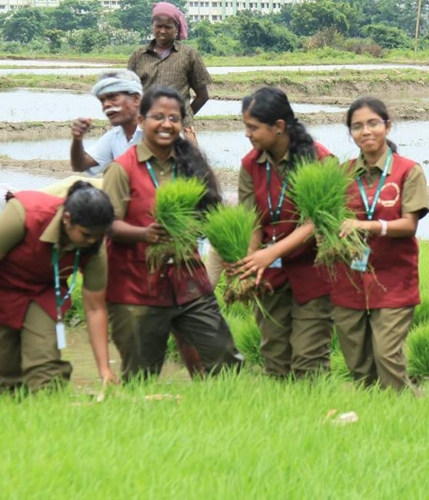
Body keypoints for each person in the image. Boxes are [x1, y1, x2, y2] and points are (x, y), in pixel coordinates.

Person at [103, 86, 242, 381]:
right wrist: (144, 234)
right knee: (141, 373)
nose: (166, 124)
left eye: (174, 118)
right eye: (158, 117)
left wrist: (232, 255)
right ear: (141, 120)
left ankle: (225, 415)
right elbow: (108, 224)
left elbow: (211, 216)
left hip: (188, 280)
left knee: (223, 356)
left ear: (181, 123)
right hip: (138, 286)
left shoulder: (190, 166)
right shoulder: (122, 169)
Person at [232, 86, 335, 378]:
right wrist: (251, 262)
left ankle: (315, 418)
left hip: (312, 272)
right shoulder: (250, 165)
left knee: (309, 359)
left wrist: (271, 253)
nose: (247, 134)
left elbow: (318, 220)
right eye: (245, 127)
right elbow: (253, 221)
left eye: (253, 128)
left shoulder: (319, 160)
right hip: (270, 275)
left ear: (278, 127)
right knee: (274, 357)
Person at [329, 97, 428, 391]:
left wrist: (367, 225)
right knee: (358, 366)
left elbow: (409, 224)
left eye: (373, 123)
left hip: (393, 280)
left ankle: (409, 415)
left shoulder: (408, 171)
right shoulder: (341, 174)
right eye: (357, 126)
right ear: (351, 133)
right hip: (349, 279)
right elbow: (330, 222)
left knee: (387, 357)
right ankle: (373, 422)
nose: (366, 131)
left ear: (387, 125)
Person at [0, 181, 117, 393]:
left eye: (98, 237)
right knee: (5, 371)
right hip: (3, 286)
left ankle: (46, 408)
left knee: (44, 368)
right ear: (67, 219)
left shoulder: (94, 247)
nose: (91, 241)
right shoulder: (24, 213)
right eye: (86, 235)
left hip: (44, 293)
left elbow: (95, 307)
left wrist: (104, 369)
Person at [127, 2, 211, 128]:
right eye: (158, 26)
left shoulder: (189, 54)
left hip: (180, 129)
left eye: (168, 27)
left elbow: (202, 96)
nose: (162, 31)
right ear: (152, 26)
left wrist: (185, 117)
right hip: (146, 128)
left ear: (176, 28)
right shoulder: (139, 55)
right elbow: (129, 94)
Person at [71, 70, 144, 176]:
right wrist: (77, 139)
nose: (106, 105)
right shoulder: (115, 137)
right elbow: (80, 165)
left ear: (136, 99)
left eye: (112, 98)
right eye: (102, 101)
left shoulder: (157, 132)